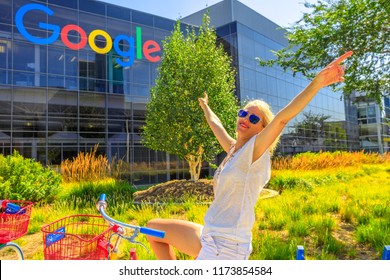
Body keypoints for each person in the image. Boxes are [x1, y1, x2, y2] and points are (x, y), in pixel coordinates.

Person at [145, 51, 353, 260]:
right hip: (211, 235)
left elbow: (282, 119)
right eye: (243, 113)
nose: (246, 118)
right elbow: (216, 125)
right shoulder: (235, 150)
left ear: (263, 129)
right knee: (153, 229)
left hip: (227, 247)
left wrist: (316, 84)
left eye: (254, 118)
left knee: (155, 231)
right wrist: (205, 107)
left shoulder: (254, 152)